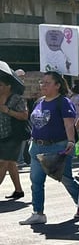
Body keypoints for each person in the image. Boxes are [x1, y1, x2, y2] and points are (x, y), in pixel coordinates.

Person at [19, 71, 79, 226]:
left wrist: (71, 141)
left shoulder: (63, 102)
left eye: (47, 82)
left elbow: (68, 123)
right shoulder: (39, 101)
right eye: (42, 82)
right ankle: (38, 213)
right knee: (36, 181)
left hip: (58, 146)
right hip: (37, 146)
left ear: (57, 85)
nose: (43, 85)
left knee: (66, 179)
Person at [0, 62, 28, 199]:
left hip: (13, 135)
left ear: (8, 86)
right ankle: (18, 190)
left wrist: (8, 111)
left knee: (3, 162)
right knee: (11, 163)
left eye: (0, 85)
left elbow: (24, 115)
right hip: (1, 135)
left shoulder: (17, 98)